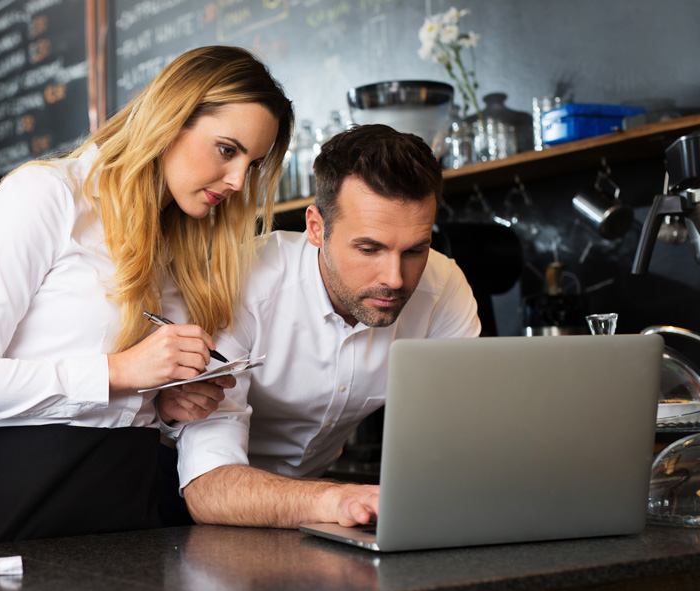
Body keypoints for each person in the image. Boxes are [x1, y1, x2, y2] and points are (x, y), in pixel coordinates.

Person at [0, 46, 294, 543]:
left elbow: (120, 404)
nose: (236, 181)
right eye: (227, 150)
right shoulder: (47, 195)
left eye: (252, 165)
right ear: (170, 118)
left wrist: (164, 408)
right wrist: (122, 371)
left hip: (132, 506)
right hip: (22, 502)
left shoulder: (184, 241)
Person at [159, 124, 481, 528]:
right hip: (177, 512)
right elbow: (208, 488)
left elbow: (463, 436)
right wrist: (336, 499)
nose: (395, 279)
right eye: (369, 249)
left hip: (314, 512)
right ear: (316, 228)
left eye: (415, 250)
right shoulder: (241, 285)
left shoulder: (443, 287)